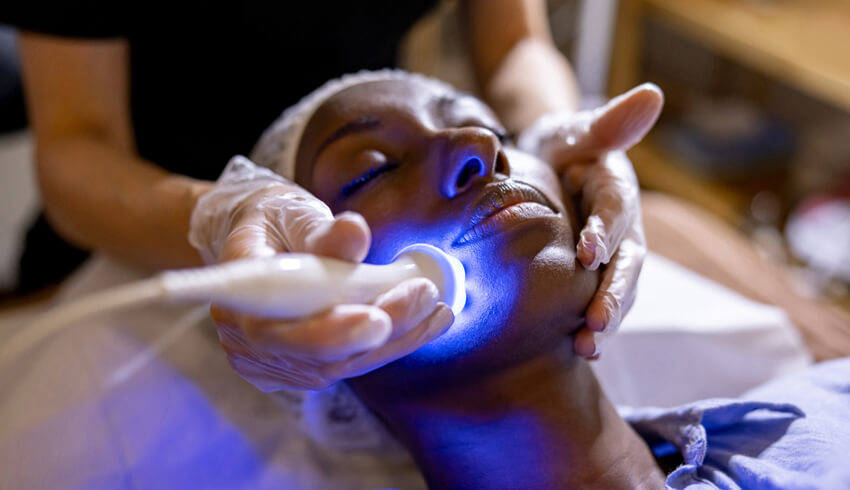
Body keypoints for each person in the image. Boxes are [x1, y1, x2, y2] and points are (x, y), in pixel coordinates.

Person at [238, 69, 850, 489]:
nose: (479, 144)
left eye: (498, 130)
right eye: (372, 171)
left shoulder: (822, 408)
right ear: (319, 333)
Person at [6, 0, 645, 388]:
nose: (480, 145)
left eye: (479, 122)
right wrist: (217, 217)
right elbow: (75, 143)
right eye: (371, 169)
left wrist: (554, 135)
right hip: (139, 226)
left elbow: (515, 44)